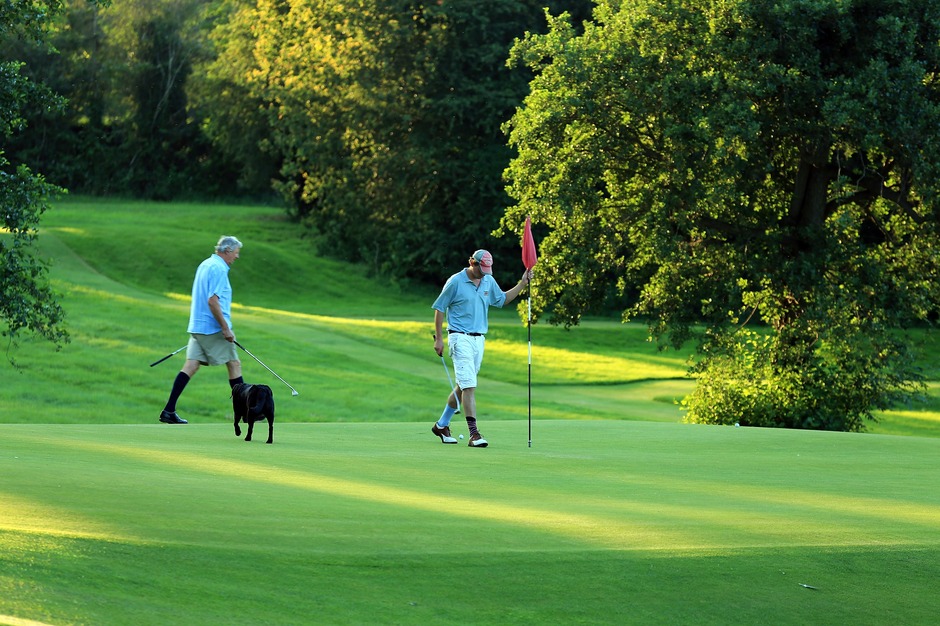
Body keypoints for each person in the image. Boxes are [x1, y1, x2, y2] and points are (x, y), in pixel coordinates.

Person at [431, 249, 531, 447]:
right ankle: (474, 434)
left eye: (487, 270)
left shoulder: (488, 281)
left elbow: (501, 300)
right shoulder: (455, 281)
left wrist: (522, 284)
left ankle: (441, 425)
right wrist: (439, 339)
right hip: (459, 338)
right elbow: (439, 308)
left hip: (479, 340)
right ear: (472, 262)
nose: (484, 273)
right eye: (481, 269)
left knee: (463, 385)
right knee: (469, 385)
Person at [159, 236, 244, 424]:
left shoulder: (205, 264)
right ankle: (245, 413)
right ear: (228, 251)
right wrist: (225, 328)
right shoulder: (219, 269)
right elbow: (213, 301)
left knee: (191, 365)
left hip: (198, 326)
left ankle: (168, 411)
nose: (237, 257)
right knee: (234, 364)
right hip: (212, 327)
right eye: (236, 253)